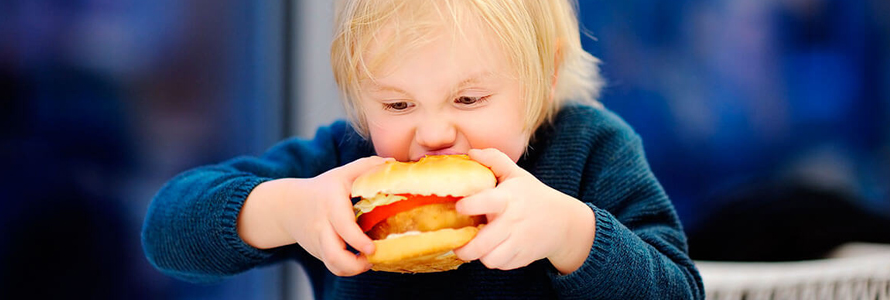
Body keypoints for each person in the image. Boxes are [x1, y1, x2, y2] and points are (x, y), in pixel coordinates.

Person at [141, 0, 704, 298]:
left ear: (547, 74)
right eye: (397, 106)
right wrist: (291, 209)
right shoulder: (345, 165)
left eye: (468, 97)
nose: (432, 134)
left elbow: (679, 291)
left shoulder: (590, 150)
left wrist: (574, 235)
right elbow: (166, 229)